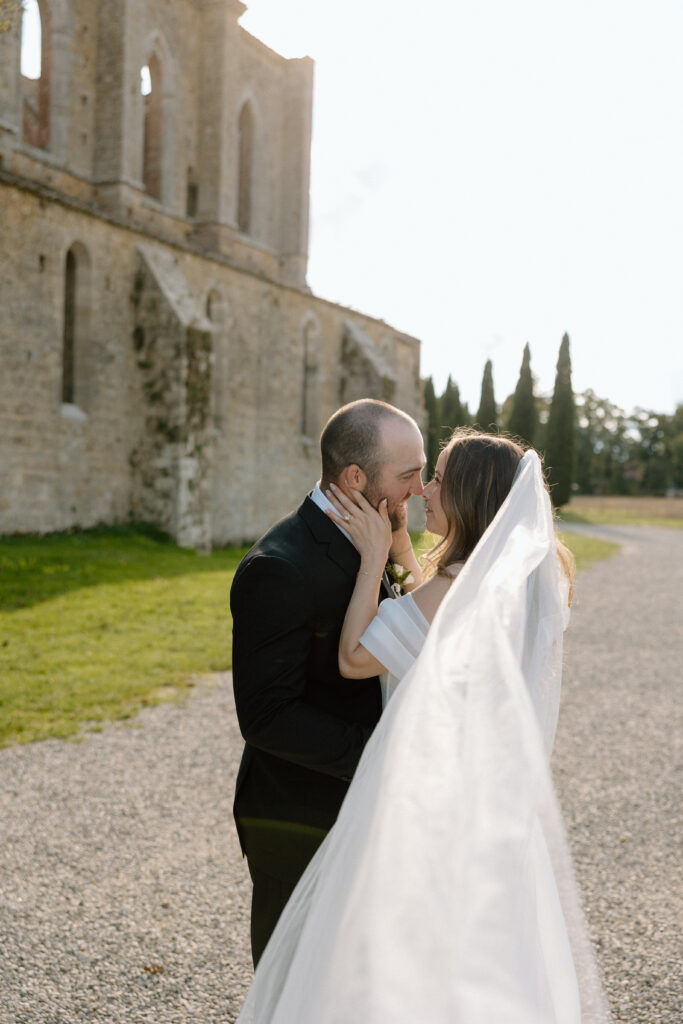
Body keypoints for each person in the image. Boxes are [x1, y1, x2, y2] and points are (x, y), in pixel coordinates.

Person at [236, 430, 611, 1024]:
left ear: (465, 495)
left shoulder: (451, 591)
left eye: (436, 477)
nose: (426, 490)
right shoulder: (531, 578)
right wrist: (408, 558)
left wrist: (371, 560)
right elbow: (438, 620)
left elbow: (355, 657)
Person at [230, 398, 426, 965]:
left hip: (369, 813)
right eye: (408, 474)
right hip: (300, 819)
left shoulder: (379, 537)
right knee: (293, 984)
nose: (418, 488)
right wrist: (379, 758)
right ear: (356, 477)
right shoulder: (279, 568)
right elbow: (267, 715)